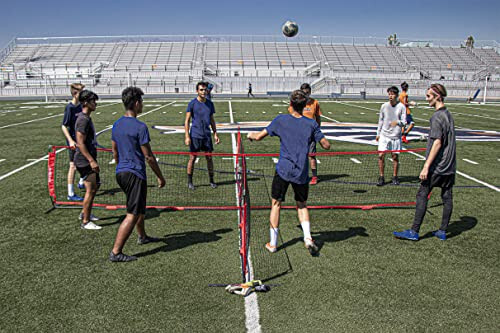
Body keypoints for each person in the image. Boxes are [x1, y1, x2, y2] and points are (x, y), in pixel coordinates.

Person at [247, 90, 331, 256]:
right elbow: (326, 145)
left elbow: (259, 137)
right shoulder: (311, 124)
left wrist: (250, 135)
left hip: (284, 170)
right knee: (302, 205)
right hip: (301, 172)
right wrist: (320, 138)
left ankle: (273, 243)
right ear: (304, 106)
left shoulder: (281, 120)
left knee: (276, 204)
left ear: (291, 104)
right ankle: (307, 238)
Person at [109, 87, 166, 262]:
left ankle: (142, 236)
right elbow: (148, 156)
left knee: (139, 207)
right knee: (133, 213)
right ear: (136, 103)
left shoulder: (117, 124)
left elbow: (115, 151)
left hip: (122, 173)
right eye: (141, 101)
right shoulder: (140, 127)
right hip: (134, 174)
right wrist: (160, 176)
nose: (142, 104)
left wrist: (122, 167)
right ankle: (116, 252)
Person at [393, 84, 455, 241]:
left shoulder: (437, 117)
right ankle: (442, 230)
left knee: (422, 194)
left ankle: (414, 231)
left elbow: (437, 143)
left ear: (437, 97)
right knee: (447, 196)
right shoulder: (448, 114)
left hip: (438, 166)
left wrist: (426, 166)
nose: (426, 99)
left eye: (429, 96)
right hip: (450, 166)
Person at [73, 90, 101, 230]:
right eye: (92, 101)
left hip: (88, 158)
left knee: (95, 187)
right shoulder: (83, 119)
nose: (95, 103)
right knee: (90, 189)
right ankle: (85, 221)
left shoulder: (86, 118)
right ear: (85, 103)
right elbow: (80, 143)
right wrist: (91, 160)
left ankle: (85, 212)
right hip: (84, 160)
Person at [184, 81, 220, 190]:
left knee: (209, 158)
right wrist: (187, 136)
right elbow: (187, 120)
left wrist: (215, 134)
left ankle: (212, 180)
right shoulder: (192, 103)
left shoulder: (209, 104)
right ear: (197, 91)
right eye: (201, 90)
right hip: (195, 135)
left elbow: (212, 120)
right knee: (192, 158)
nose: (203, 92)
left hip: (206, 136)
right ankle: (190, 182)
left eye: (205, 90)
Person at [288, 83, 322, 185]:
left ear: (310, 92)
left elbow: (318, 118)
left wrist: (317, 130)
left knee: (312, 156)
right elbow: (291, 115)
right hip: (298, 134)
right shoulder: (296, 102)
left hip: (310, 134)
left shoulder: (315, 103)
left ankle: (314, 177)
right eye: (304, 93)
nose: (306, 95)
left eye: (307, 93)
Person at [376, 86, 407, 186]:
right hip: (384, 135)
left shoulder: (401, 107)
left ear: (397, 95)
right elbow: (380, 120)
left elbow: (404, 122)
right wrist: (378, 133)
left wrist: (397, 122)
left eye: (392, 94)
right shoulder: (384, 106)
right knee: (381, 156)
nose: (390, 96)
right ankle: (381, 177)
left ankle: (395, 176)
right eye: (389, 94)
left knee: (395, 157)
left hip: (395, 136)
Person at [61, 83, 85, 201]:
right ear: (75, 94)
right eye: (81, 92)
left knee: (86, 160)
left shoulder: (81, 106)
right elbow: (64, 126)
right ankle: (70, 193)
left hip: (81, 140)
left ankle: (81, 181)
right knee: (73, 166)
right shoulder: (69, 108)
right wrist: (70, 141)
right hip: (73, 141)